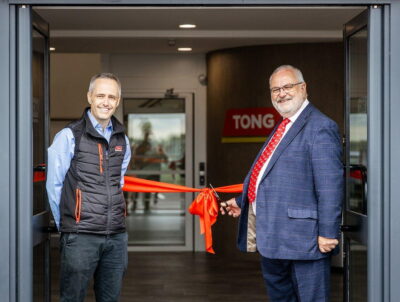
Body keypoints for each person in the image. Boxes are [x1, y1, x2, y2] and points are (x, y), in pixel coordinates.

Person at [221, 65, 343, 302]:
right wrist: (242, 200)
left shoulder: (321, 127)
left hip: (304, 241)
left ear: (303, 88)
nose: (281, 93)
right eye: (275, 89)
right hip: (273, 239)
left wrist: (328, 233)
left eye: (287, 86)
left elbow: (330, 186)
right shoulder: (284, 125)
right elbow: (270, 176)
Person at [46, 73, 131, 302]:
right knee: (72, 298)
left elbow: (118, 183)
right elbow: (54, 186)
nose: (106, 101)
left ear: (118, 100)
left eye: (111, 97)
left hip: (115, 236)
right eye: (101, 95)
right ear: (90, 97)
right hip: (80, 236)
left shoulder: (123, 140)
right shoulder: (68, 136)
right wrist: (67, 226)